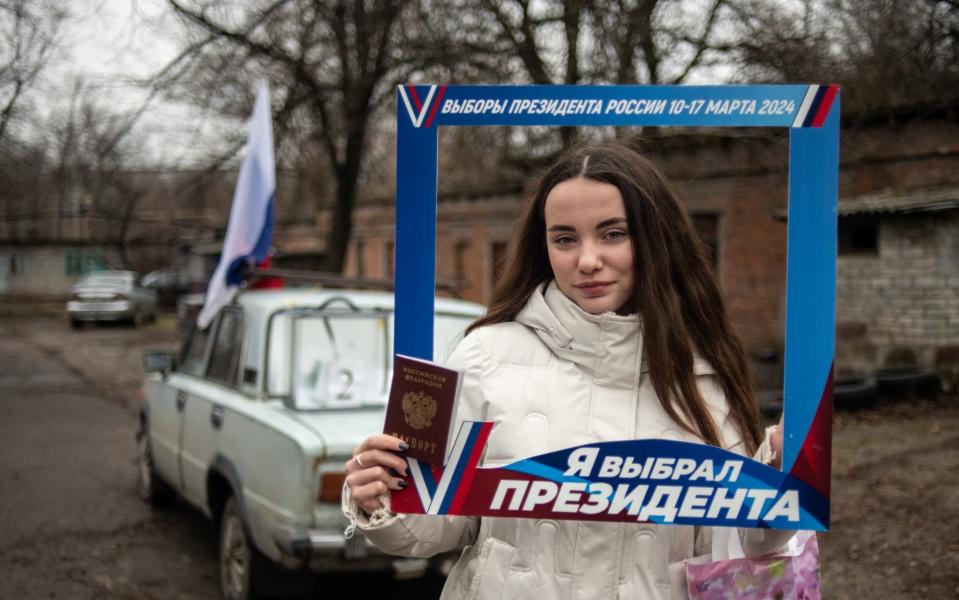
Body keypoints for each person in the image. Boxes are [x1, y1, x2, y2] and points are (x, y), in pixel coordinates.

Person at [343, 141, 788, 599]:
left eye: (613, 233)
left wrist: (781, 476)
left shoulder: (701, 370)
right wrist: (382, 498)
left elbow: (740, 547)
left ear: (656, 237)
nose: (587, 260)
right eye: (565, 239)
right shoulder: (484, 356)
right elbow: (439, 523)